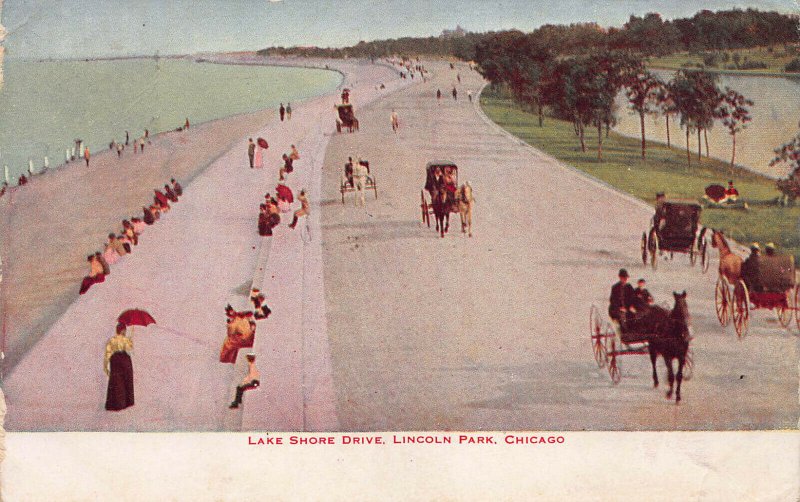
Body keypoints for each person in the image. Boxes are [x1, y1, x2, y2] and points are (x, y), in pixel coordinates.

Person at [104, 323, 135, 411]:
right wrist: (130, 340)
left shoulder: (112, 340)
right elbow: (129, 349)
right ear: (122, 330)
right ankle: (127, 402)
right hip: (125, 360)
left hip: (115, 361)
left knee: (116, 381)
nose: (125, 331)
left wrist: (105, 366)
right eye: (124, 330)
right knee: (127, 380)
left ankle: (115, 403)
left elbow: (107, 353)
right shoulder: (125, 340)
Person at [609, 268, 636, 336]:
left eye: (626, 278)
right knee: (622, 316)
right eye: (623, 278)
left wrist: (632, 306)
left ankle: (633, 331)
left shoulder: (629, 286)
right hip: (616, 309)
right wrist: (619, 308)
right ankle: (625, 333)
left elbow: (633, 297)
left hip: (627, 308)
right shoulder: (615, 287)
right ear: (620, 277)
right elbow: (612, 300)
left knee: (635, 315)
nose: (625, 279)